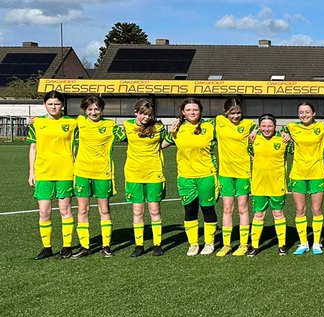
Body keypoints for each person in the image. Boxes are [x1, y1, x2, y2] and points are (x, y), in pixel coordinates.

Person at [28, 90, 78, 259]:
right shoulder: (37, 124)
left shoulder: (72, 123)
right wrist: (31, 172)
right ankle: (47, 247)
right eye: (50, 104)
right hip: (43, 172)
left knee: (65, 209)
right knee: (44, 212)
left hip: (65, 171)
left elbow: (78, 146)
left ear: (62, 105)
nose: (53, 107)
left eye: (57, 103)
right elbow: (33, 148)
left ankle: (67, 247)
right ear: (44, 105)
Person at [165, 97, 219, 256]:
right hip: (185, 177)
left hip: (207, 175)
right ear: (183, 112)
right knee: (190, 211)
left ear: (200, 111)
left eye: (195, 109)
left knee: (208, 209)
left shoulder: (210, 126)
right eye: (188, 110)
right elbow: (160, 144)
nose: (192, 112)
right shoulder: (177, 128)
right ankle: (193, 244)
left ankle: (209, 243)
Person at [116, 98, 167, 257]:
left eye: (149, 115)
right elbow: (119, 138)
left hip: (154, 173)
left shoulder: (158, 127)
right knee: (137, 210)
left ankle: (157, 244)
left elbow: (169, 140)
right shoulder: (127, 126)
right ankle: (139, 245)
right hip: (133, 173)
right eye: (143, 114)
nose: (146, 117)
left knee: (154, 209)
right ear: (136, 113)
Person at [72, 95, 117, 257]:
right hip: (82, 172)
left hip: (103, 173)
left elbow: (133, 134)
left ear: (102, 109)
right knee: (83, 210)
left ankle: (106, 245)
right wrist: (36, 120)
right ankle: (85, 247)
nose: (93, 112)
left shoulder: (111, 125)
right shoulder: (79, 122)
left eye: (96, 109)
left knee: (104, 209)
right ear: (84, 110)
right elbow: (57, 122)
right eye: (89, 109)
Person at [284, 101, 324, 255]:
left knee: (316, 209)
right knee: (299, 209)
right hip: (298, 174)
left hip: (317, 173)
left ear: (314, 113)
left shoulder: (323, 127)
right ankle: (303, 243)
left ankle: (316, 243)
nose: (304, 115)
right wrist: (255, 131)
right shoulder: (291, 127)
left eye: (307, 112)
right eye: (301, 112)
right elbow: (270, 128)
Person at [214, 97, 257, 256]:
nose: (235, 116)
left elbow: (266, 129)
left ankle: (244, 244)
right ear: (226, 112)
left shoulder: (249, 124)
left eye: (238, 113)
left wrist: (256, 130)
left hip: (243, 172)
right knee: (227, 208)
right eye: (232, 113)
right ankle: (226, 244)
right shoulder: (218, 121)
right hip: (225, 173)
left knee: (243, 208)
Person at [246, 114, 291, 255]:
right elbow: (249, 153)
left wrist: (287, 135)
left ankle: (282, 245)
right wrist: (254, 130)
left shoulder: (283, 139)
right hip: (259, 184)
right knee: (259, 215)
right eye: (263, 126)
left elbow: (292, 131)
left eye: (270, 126)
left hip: (277, 183)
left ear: (275, 126)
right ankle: (254, 246)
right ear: (259, 127)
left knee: (278, 213)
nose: (267, 129)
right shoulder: (253, 139)